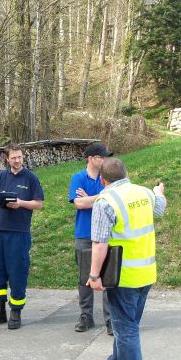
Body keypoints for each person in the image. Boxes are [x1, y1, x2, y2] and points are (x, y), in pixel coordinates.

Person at [88, 158, 166, 360]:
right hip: (146, 273)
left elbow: (100, 243)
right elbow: (160, 208)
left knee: (126, 330)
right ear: (125, 174)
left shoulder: (105, 201)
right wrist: (159, 192)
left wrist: (93, 274)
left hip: (123, 276)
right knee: (128, 326)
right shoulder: (144, 193)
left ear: (103, 179)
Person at [0, 144, 44, 330]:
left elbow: (38, 204)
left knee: (17, 271)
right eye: (13, 158)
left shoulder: (31, 178)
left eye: (19, 157)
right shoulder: (0, 177)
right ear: (7, 159)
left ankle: (16, 311)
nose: (17, 160)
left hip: (19, 232)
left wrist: (21, 203)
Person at [69, 142, 113, 333]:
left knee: (109, 278)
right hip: (84, 234)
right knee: (84, 278)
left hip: (106, 235)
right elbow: (79, 203)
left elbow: (115, 197)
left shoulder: (108, 177)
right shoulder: (77, 177)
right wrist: (102, 196)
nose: (105, 160)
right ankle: (86, 316)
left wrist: (91, 198)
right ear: (90, 159)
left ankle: (111, 319)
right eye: (101, 157)